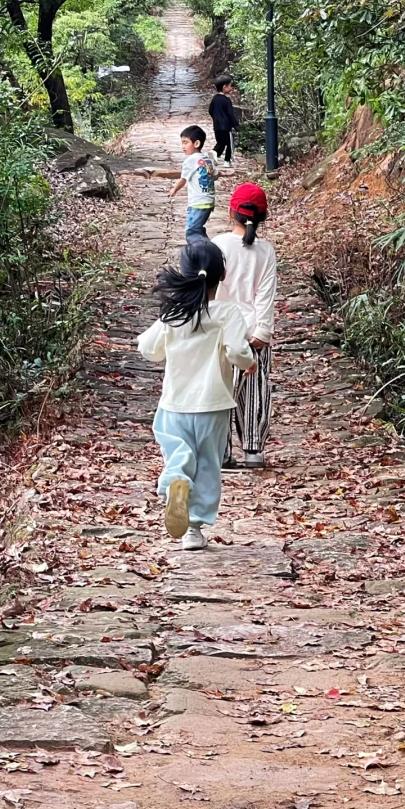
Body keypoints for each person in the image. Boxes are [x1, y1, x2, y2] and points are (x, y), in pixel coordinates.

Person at [139, 239, 256, 549]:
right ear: (221, 277)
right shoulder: (226, 313)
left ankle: (175, 481)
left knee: (177, 452)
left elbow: (148, 350)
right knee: (207, 464)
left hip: (174, 405)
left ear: (186, 274)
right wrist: (249, 363)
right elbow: (238, 352)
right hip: (213, 406)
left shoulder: (174, 313)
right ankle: (193, 530)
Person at [213, 182, 277, 469]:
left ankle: (222, 451)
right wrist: (263, 330)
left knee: (220, 388)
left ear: (230, 212)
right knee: (255, 390)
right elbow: (266, 293)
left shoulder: (217, 245)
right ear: (263, 216)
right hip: (252, 330)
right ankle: (253, 450)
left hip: (220, 330)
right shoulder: (266, 251)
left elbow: (210, 290)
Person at [167, 124, 217, 237]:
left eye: (185, 142)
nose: (183, 146)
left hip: (198, 202)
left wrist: (174, 189)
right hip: (208, 201)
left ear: (196, 143)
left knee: (191, 231)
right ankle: (206, 249)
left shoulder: (190, 161)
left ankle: (201, 252)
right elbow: (215, 175)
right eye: (182, 143)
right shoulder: (207, 159)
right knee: (198, 229)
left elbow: (183, 179)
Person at [209, 76, 240, 166]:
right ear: (224, 87)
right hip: (226, 127)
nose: (231, 88)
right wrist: (236, 125)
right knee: (229, 144)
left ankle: (214, 154)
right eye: (230, 86)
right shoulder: (226, 100)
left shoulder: (214, 99)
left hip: (217, 126)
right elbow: (230, 114)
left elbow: (210, 110)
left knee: (221, 142)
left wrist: (216, 118)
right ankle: (227, 161)